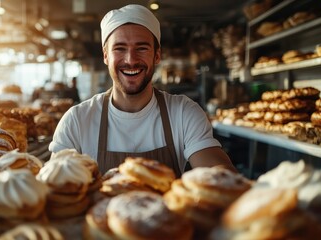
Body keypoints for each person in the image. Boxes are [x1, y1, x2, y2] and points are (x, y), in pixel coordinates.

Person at [49, 4, 236, 176]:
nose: (131, 59)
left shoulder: (182, 112)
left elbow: (220, 176)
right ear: (106, 56)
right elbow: (55, 186)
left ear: (157, 55)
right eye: (120, 48)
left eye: (142, 48)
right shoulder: (77, 120)